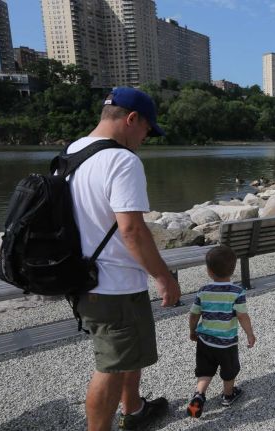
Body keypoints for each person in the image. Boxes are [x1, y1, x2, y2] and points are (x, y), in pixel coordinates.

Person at [70, 87, 182, 430]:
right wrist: (164, 277)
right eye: (147, 129)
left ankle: (134, 410)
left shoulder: (73, 152)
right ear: (132, 119)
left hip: (83, 277)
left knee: (126, 352)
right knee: (111, 366)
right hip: (113, 285)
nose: (146, 137)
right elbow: (131, 230)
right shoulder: (121, 160)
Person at [187, 246, 256, 418]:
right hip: (226, 342)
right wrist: (249, 334)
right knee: (229, 370)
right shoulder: (237, 292)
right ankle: (228, 395)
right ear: (233, 270)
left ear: (209, 271)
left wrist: (193, 330)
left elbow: (194, 314)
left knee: (205, 369)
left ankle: (199, 394)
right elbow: (242, 316)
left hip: (205, 341)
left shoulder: (203, 290)